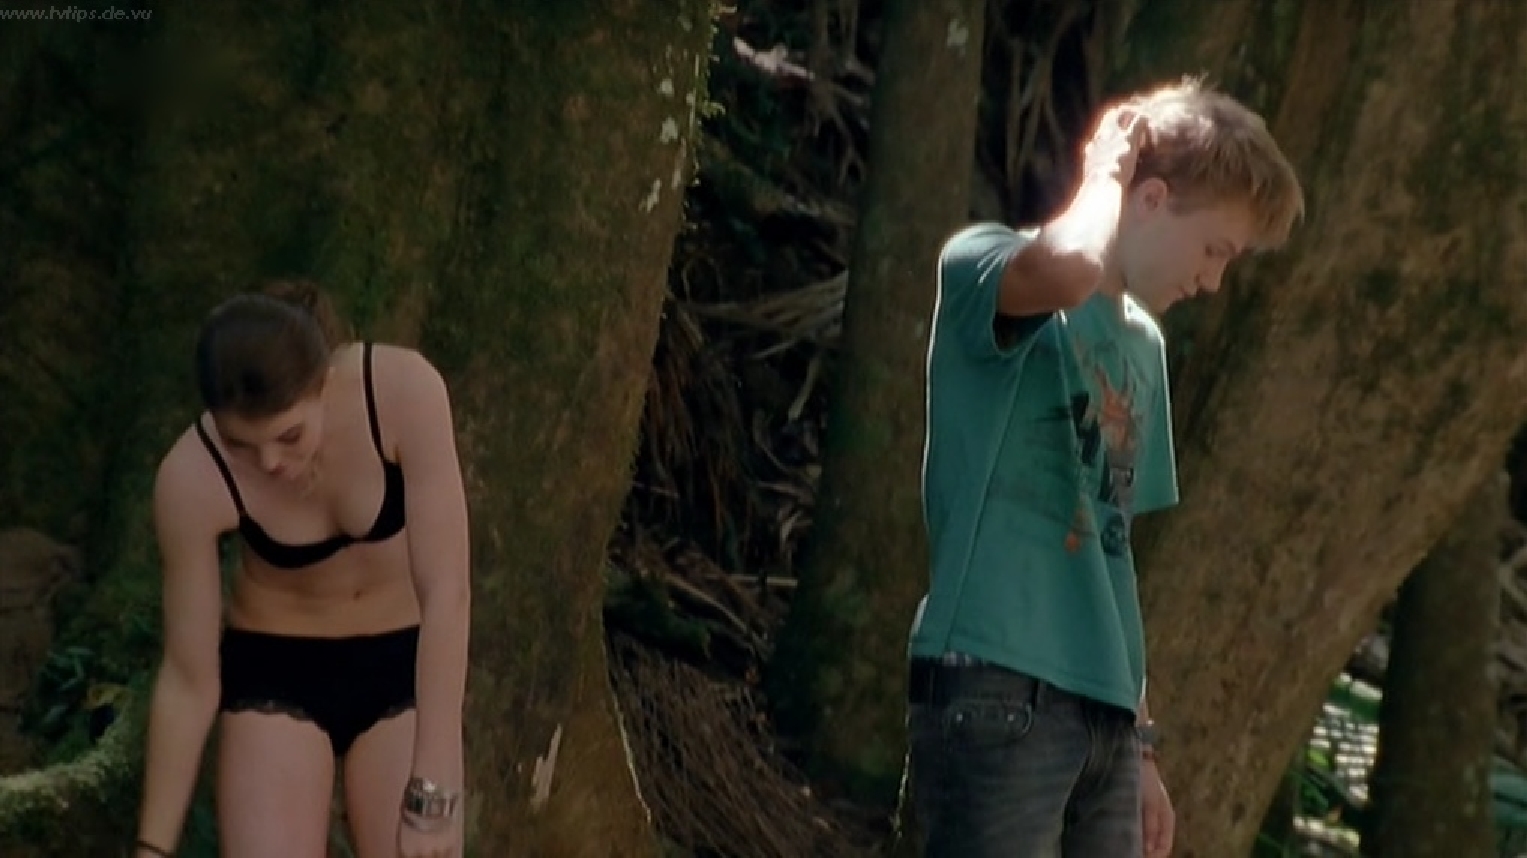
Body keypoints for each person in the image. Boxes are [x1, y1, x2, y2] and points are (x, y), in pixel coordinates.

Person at [904, 77, 1304, 857]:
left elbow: (1110, 556)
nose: (1212, 281)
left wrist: (1139, 743)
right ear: (1148, 198)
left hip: (1106, 721)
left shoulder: (1143, 350)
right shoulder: (984, 262)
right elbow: (1069, 269)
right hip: (995, 684)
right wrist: (1103, 175)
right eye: (1214, 250)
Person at [132, 281, 471, 858]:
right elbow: (189, 678)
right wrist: (152, 848)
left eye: (289, 435)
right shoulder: (191, 479)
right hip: (277, 671)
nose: (269, 461)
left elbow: (448, 593)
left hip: (402, 664)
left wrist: (432, 794)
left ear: (324, 383)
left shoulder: (402, 392)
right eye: (242, 444)